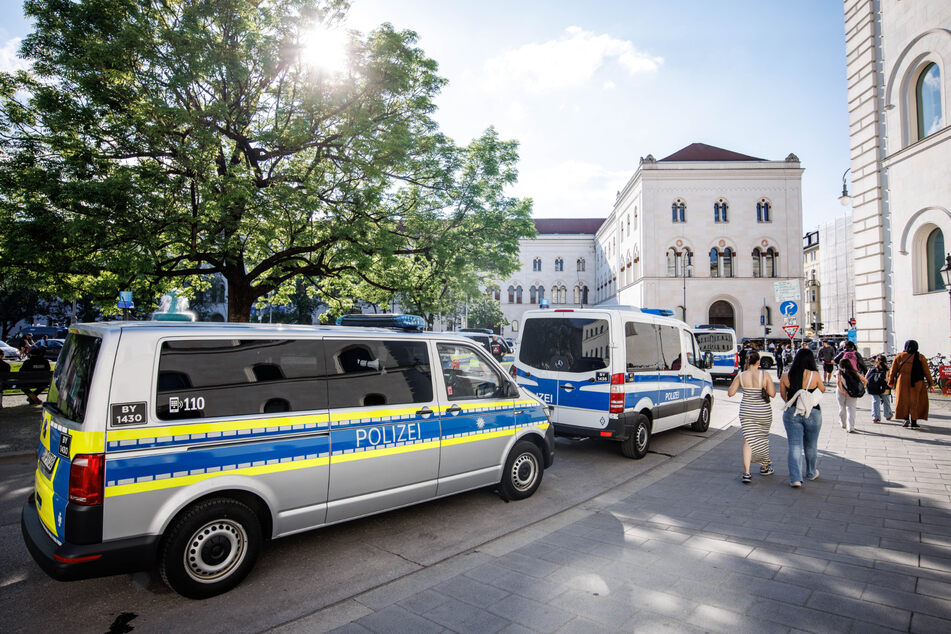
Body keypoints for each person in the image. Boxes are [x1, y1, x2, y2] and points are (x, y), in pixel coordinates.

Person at [728, 351, 776, 484]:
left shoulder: (741, 375)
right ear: (758, 362)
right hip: (762, 411)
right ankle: (764, 466)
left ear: (748, 362)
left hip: (747, 411)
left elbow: (730, 393)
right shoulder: (764, 375)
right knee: (762, 438)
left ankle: (747, 473)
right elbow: (772, 393)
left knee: (748, 441)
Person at [780, 348, 826, 487]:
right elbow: (822, 390)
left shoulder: (785, 376)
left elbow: (784, 396)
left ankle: (795, 478)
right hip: (812, 412)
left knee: (794, 445)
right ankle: (811, 472)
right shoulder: (815, 375)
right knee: (811, 444)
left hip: (792, 412)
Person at [887, 339, 934, 429]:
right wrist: (931, 384)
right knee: (915, 400)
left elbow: (893, 371)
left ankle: (905, 419)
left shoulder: (899, 356)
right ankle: (914, 420)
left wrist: (891, 382)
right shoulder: (920, 357)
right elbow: (926, 372)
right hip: (917, 382)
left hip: (902, 381)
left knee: (903, 400)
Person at [837, 358, 867, 433]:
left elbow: (838, 382)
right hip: (852, 393)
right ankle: (850, 427)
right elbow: (865, 381)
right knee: (851, 409)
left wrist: (843, 391)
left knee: (842, 407)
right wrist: (861, 388)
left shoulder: (839, 372)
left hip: (841, 392)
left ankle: (843, 423)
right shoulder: (854, 372)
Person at [866, 355, 893, 423]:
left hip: (874, 388)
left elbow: (866, 378)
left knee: (875, 401)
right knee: (886, 401)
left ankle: (876, 417)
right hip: (884, 387)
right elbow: (889, 380)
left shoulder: (872, 369)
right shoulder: (887, 370)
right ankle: (888, 415)